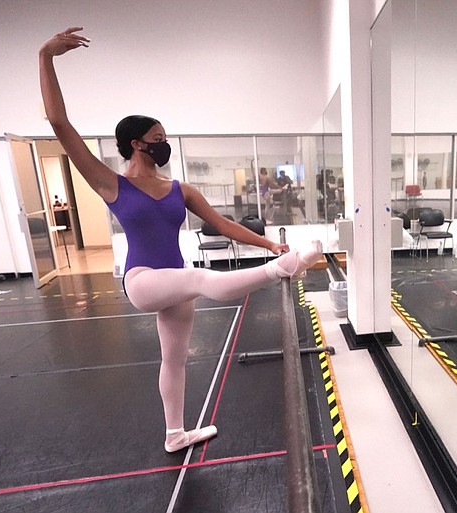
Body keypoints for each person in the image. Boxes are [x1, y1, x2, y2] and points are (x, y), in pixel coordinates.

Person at [39, 27, 324, 452]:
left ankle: (176, 433)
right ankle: (280, 271)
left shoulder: (180, 190)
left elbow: (223, 225)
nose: (164, 146)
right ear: (136, 145)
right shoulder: (111, 184)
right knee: (199, 277)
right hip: (145, 280)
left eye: (165, 140)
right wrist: (45, 55)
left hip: (173, 283)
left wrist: (268, 243)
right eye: (157, 141)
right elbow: (59, 123)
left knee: (174, 358)